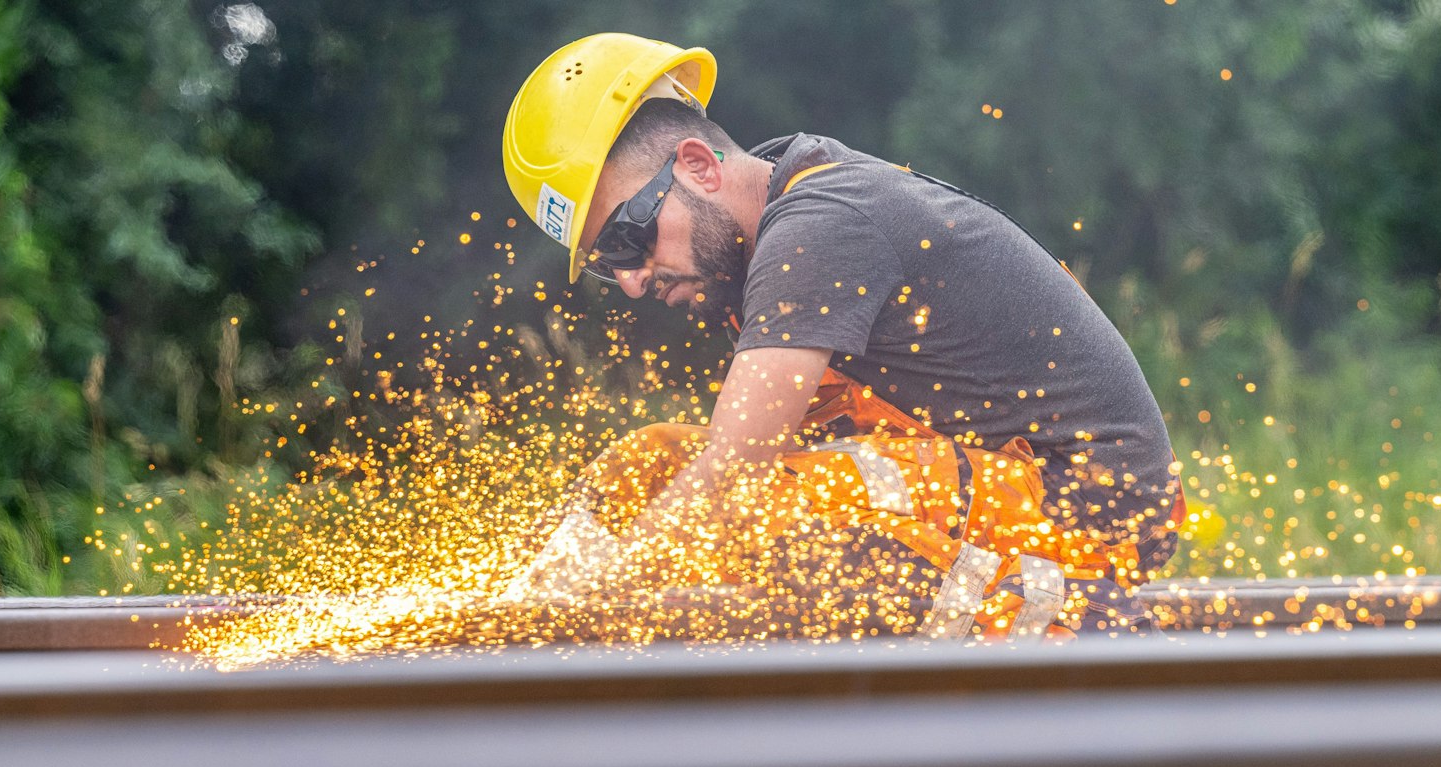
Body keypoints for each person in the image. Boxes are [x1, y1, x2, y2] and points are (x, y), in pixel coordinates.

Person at [502, 33, 1182, 638]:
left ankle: (1070, 627)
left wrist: (596, 598)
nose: (631, 281)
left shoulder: (822, 223)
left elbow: (736, 469)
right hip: (994, 478)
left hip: (1093, 511)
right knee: (647, 464)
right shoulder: (765, 226)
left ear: (698, 166)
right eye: (606, 263)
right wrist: (538, 601)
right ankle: (514, 615)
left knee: (765, 509)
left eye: (629, 237)